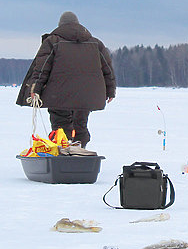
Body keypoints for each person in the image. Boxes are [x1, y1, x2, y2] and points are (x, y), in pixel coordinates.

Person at [16, 11, 116, 148]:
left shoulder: (53, 42)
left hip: (58, 95)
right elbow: (107, 70)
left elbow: (42, 68)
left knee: (60, 127)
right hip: (85, 96)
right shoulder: (96, 44)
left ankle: (62, 157)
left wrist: (35, 88)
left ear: (60, 25)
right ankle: (80, 152)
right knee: (80, 124)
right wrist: (111, 91)